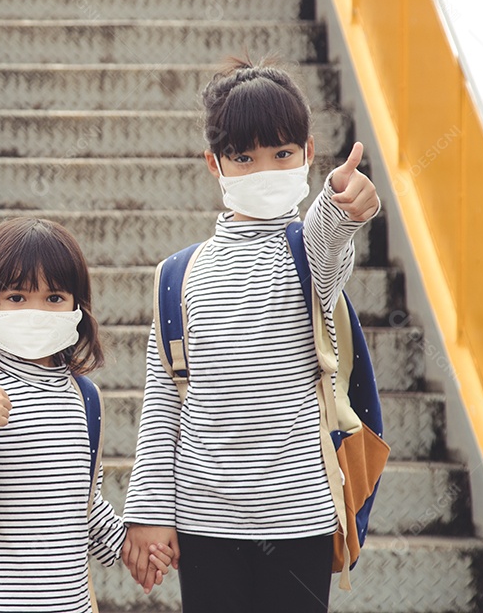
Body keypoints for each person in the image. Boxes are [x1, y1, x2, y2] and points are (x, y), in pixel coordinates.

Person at [121, 58, 381, 612]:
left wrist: (343, 205)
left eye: (282, 154)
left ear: (309, 154)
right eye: (244, 158)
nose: (265, 169)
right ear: (214, 164)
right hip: (202, 522)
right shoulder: (177, 276)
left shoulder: (308, 255)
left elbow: (329, 239)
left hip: (300, 520)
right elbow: (164, 400)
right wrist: (147, 513)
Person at [0, 216, 155, 613]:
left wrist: (128, 547)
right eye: (16, 297)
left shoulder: (85, 398)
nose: (36, 311)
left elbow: (84, 502)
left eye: (54, 298)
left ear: (77, 308)